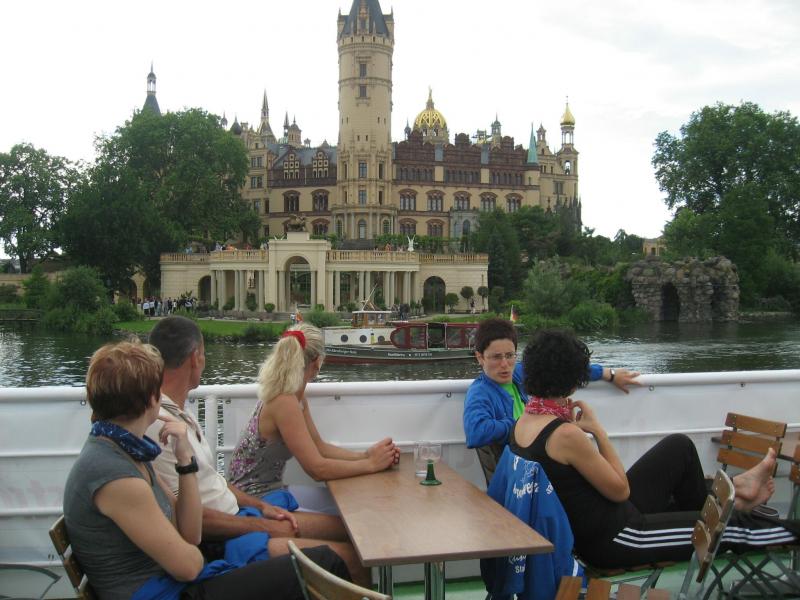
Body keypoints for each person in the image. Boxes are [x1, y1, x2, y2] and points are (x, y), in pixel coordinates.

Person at [64, 340, 348, 600]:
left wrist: (185, 458)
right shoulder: (116, 475)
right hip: (166, 592)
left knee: (319, 562)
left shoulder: (126, 450)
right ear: (151, 399)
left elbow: (191, 533)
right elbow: (189, 565)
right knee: (326, 563)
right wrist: (199, 552)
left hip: (175, 579)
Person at [511, 329, 799, 568]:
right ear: (573, 381)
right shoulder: (565, 435)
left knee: (679, 447)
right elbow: (620, 490)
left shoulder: (523, 422)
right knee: (728, 528)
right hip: (619, 538)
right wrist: (598, 431)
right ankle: (738, 509)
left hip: (605, 519)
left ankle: (731, 495)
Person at [144, 316, 369, 585]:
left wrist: (261, 507)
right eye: (204, 354)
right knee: (350, 559)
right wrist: (263, 523)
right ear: (196, 358)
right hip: (223, 539)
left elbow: (214, 485)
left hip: (242, 512)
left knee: (352, 533)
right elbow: (190, 518)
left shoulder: (180, 415)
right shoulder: (161, 426)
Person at [228, 322, 399, 516]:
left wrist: (366, 455)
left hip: (273, 491)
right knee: (351, 517)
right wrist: (371, 465)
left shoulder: (295, 396)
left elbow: (319, 447)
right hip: (253, 502)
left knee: (352, 506)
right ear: (317, 362)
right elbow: (317, 470)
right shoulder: (284, 401)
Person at [463, 318, 640, 484]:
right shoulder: (479, 393)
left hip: (536, 466)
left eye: (509, 355)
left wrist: (609, 374)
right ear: (480, 357)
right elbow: (476, 433)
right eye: (496, 357)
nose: (504, 364)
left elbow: (561, 368)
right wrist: (523, 424)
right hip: (520, 480)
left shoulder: (516, 373)